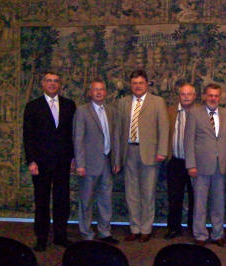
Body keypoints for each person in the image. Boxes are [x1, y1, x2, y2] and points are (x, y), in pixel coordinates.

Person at [23, 71, 76, 251]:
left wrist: (74, 158)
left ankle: (60, 236)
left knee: (62, 201)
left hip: (63, 162)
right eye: (49, 81)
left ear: (59, 84)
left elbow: (72, 135)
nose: (52, 84)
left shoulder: (69, 105)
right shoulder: (33, 106)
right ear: (43, 84)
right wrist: (31, 161)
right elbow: (28, 137)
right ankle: (41, 238)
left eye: (55, 81)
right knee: (42, 201)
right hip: (41, 164)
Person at [116, 69, 169, 242]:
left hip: (150, 153)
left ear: (146, 84)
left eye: (140, 83)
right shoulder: (123, 103)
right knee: (131, 192)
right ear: (130, 85)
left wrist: (162, 151)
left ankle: (146, 229)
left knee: (148, 193)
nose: (137, 86)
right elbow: (118, 131)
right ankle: (134, 227)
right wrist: (117, 158)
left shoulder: (157, 102)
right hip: (129, 151)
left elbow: (164, 128)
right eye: (134, 83)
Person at [184, 83, 226, 247]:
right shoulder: (194, 113)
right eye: (210, 95)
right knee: (200, 203)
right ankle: (200, 235)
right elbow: (188, 141)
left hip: (221, 167)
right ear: (204, 96)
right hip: (200, 167)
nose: (213, 98)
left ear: (220, 97)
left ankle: (218, 234)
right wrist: (191, 164)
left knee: (218, 203)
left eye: (216, 96)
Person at [73, 79, 120, 244]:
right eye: (95, 90)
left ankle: (104, 231)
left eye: (101, 89)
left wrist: (116, 160)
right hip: (88, 164)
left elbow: (115, 138)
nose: (99, 92)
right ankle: (86, 233)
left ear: (105, 92)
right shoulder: (82, 111)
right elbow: (78, 139)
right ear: (90, 93)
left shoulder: (111, 111)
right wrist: (80, 164)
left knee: (105, 199)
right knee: (86, 200)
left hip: (107, 162)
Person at [165, 83, 197, 239]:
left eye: (189, 94)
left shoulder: (200, 112)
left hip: (195, 163)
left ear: (194, 96)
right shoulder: (170, 111)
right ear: (179, 96)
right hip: (175, 161)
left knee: (195, 197)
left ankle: (193, 228)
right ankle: (173, 228)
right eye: (183, 94)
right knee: (174, 197)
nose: (186, 96)